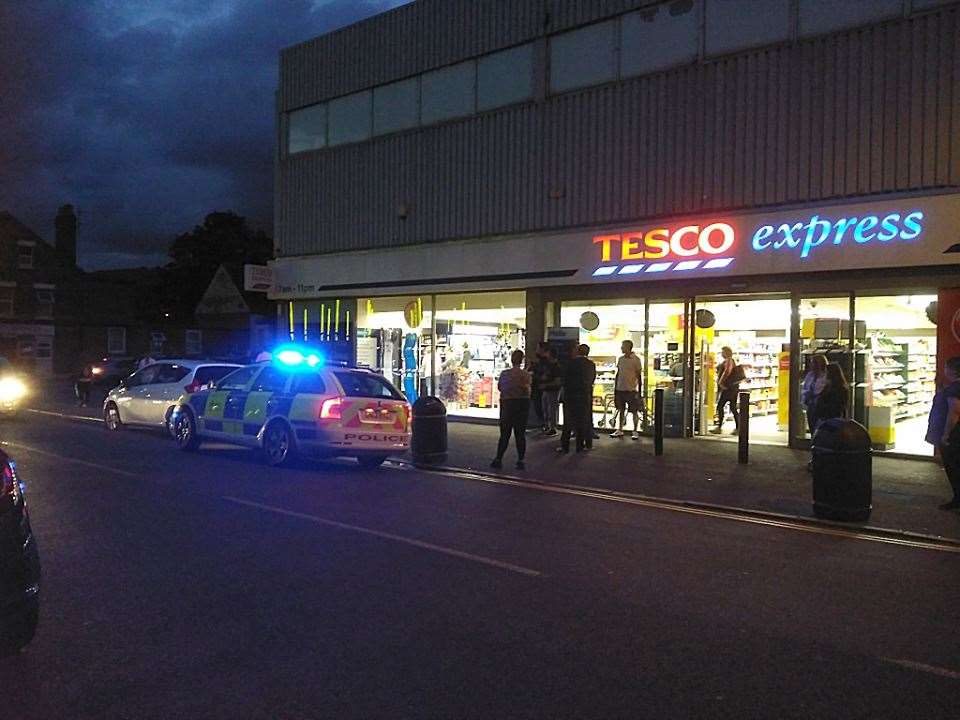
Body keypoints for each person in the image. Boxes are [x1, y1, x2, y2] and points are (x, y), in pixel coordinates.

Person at [925, 356, 960, 511]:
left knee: (954, 467)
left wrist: (946, 434)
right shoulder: (953, 387)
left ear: (952, 370)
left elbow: (954, 412)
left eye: (946, 367)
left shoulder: (954, 389)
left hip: (953, 436)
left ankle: (957, 499)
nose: (944, 370)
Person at [491, 349, 531, 470]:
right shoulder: (526, 375)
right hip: (521, 404)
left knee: (504, 434)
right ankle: (520, 460)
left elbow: (500, 388)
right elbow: (528, 391)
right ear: (522, 360)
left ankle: (498, 459)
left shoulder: (504, 374)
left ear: (511, 359)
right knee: (520, 434)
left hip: (507, 404)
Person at [559, 344, 596, 453]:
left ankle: (565, 446)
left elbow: (564, 379)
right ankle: (580, 446)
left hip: (570, 395)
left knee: (568, 422)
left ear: (578, 351)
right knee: (583, 421)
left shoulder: (570, 364)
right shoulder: (590, 364)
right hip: (584, 396)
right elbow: (591, 379)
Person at [611, 339, 643, 440]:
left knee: (634, 411)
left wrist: (639, 391)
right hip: (620, 388)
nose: (621, 348)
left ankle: (635, 430)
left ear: (628, 347)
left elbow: (639, 375)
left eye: (623, 346)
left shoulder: (636, 359)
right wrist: (615, 387)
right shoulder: (620, 359)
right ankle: (620, 429)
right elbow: (618, 373)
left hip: (631, 389)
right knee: (620, 409)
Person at [710, 346, 741, 435]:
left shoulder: (728, 361)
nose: (722, 354)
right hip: (732, 388)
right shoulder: (730, 361)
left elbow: (727, 371)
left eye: (723, 352)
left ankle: (720, 427)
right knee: (733, 407)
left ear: (727, 353)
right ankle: (738, 428)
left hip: (728, 388)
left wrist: (720, 382)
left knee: (720, 406)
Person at [801, 354, 828, 436]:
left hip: (821, 404)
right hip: (811, 404)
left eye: (813, 363)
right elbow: (805, 387)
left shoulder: (826, 375)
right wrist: (806, 394)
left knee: (821, 427)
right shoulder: (810, 375)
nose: (811, 365)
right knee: (812, 425)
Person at [539, 347, 562, 436]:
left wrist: (546, 385)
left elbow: (557, 381)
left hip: (553, 391)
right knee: (546, 409)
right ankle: (548, 426)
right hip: (546, 390)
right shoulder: (549, 365)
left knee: (552, 409)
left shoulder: (557, 367)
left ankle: (553, 427)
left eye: (548, 352)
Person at [528, 342, 548, 431]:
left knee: (541, 406)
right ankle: (542, 424)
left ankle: (544, 424)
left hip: (539, 387)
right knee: (538, 406)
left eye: (538, 348)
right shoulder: (538, 361)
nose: (536, 350)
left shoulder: (544, 362)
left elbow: (542, 374)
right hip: (537, 387)